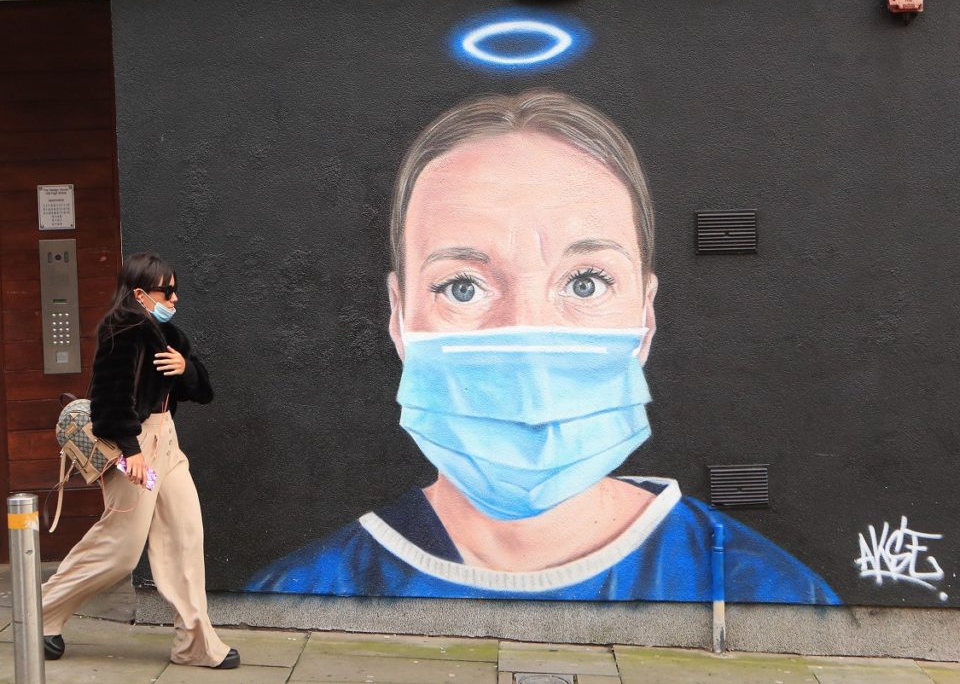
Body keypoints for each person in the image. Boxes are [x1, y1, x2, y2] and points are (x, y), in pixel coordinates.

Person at [248, 89, 839, 604]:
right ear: (399, 318)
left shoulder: (765, 590)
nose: (527, 344)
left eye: (585, 282)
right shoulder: (303, 591)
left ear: (646, 313)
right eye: (462, 286)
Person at [41, 252, 240, 669]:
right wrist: (130, 452)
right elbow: (109, 399)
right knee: (121, 549)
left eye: (175, 290)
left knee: (186, 536)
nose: (174, 298)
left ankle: (194, 644)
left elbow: (203, 390)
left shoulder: (168, 335)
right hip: (135, 444)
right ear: (139, 294)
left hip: (168, 443)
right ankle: (39, 614)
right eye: (166, 291)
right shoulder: (122, 329)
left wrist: (186, 368)